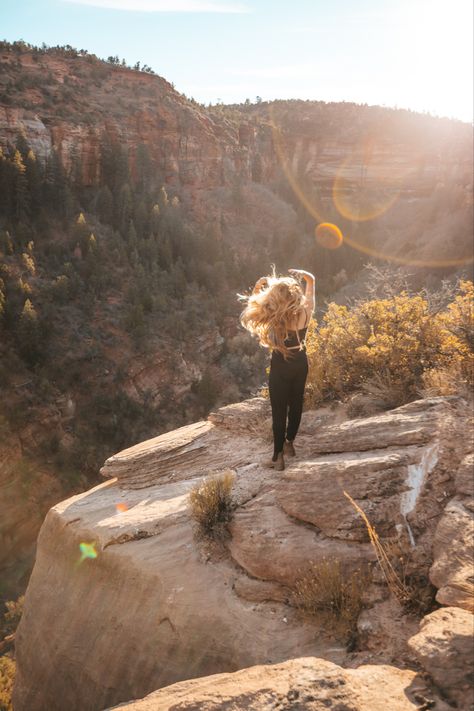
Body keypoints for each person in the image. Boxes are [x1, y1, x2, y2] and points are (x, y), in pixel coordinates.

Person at [240, 267, 315, 471]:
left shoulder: (274, 316)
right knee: (296, 404)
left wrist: (258, 287)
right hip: (300, 361)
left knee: (279, 411)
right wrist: (308, 278)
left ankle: (278, 457)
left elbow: (254, 305)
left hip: (280, 364)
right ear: (294, 294)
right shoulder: (305, 313)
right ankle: (290, 442)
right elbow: (311, 286)